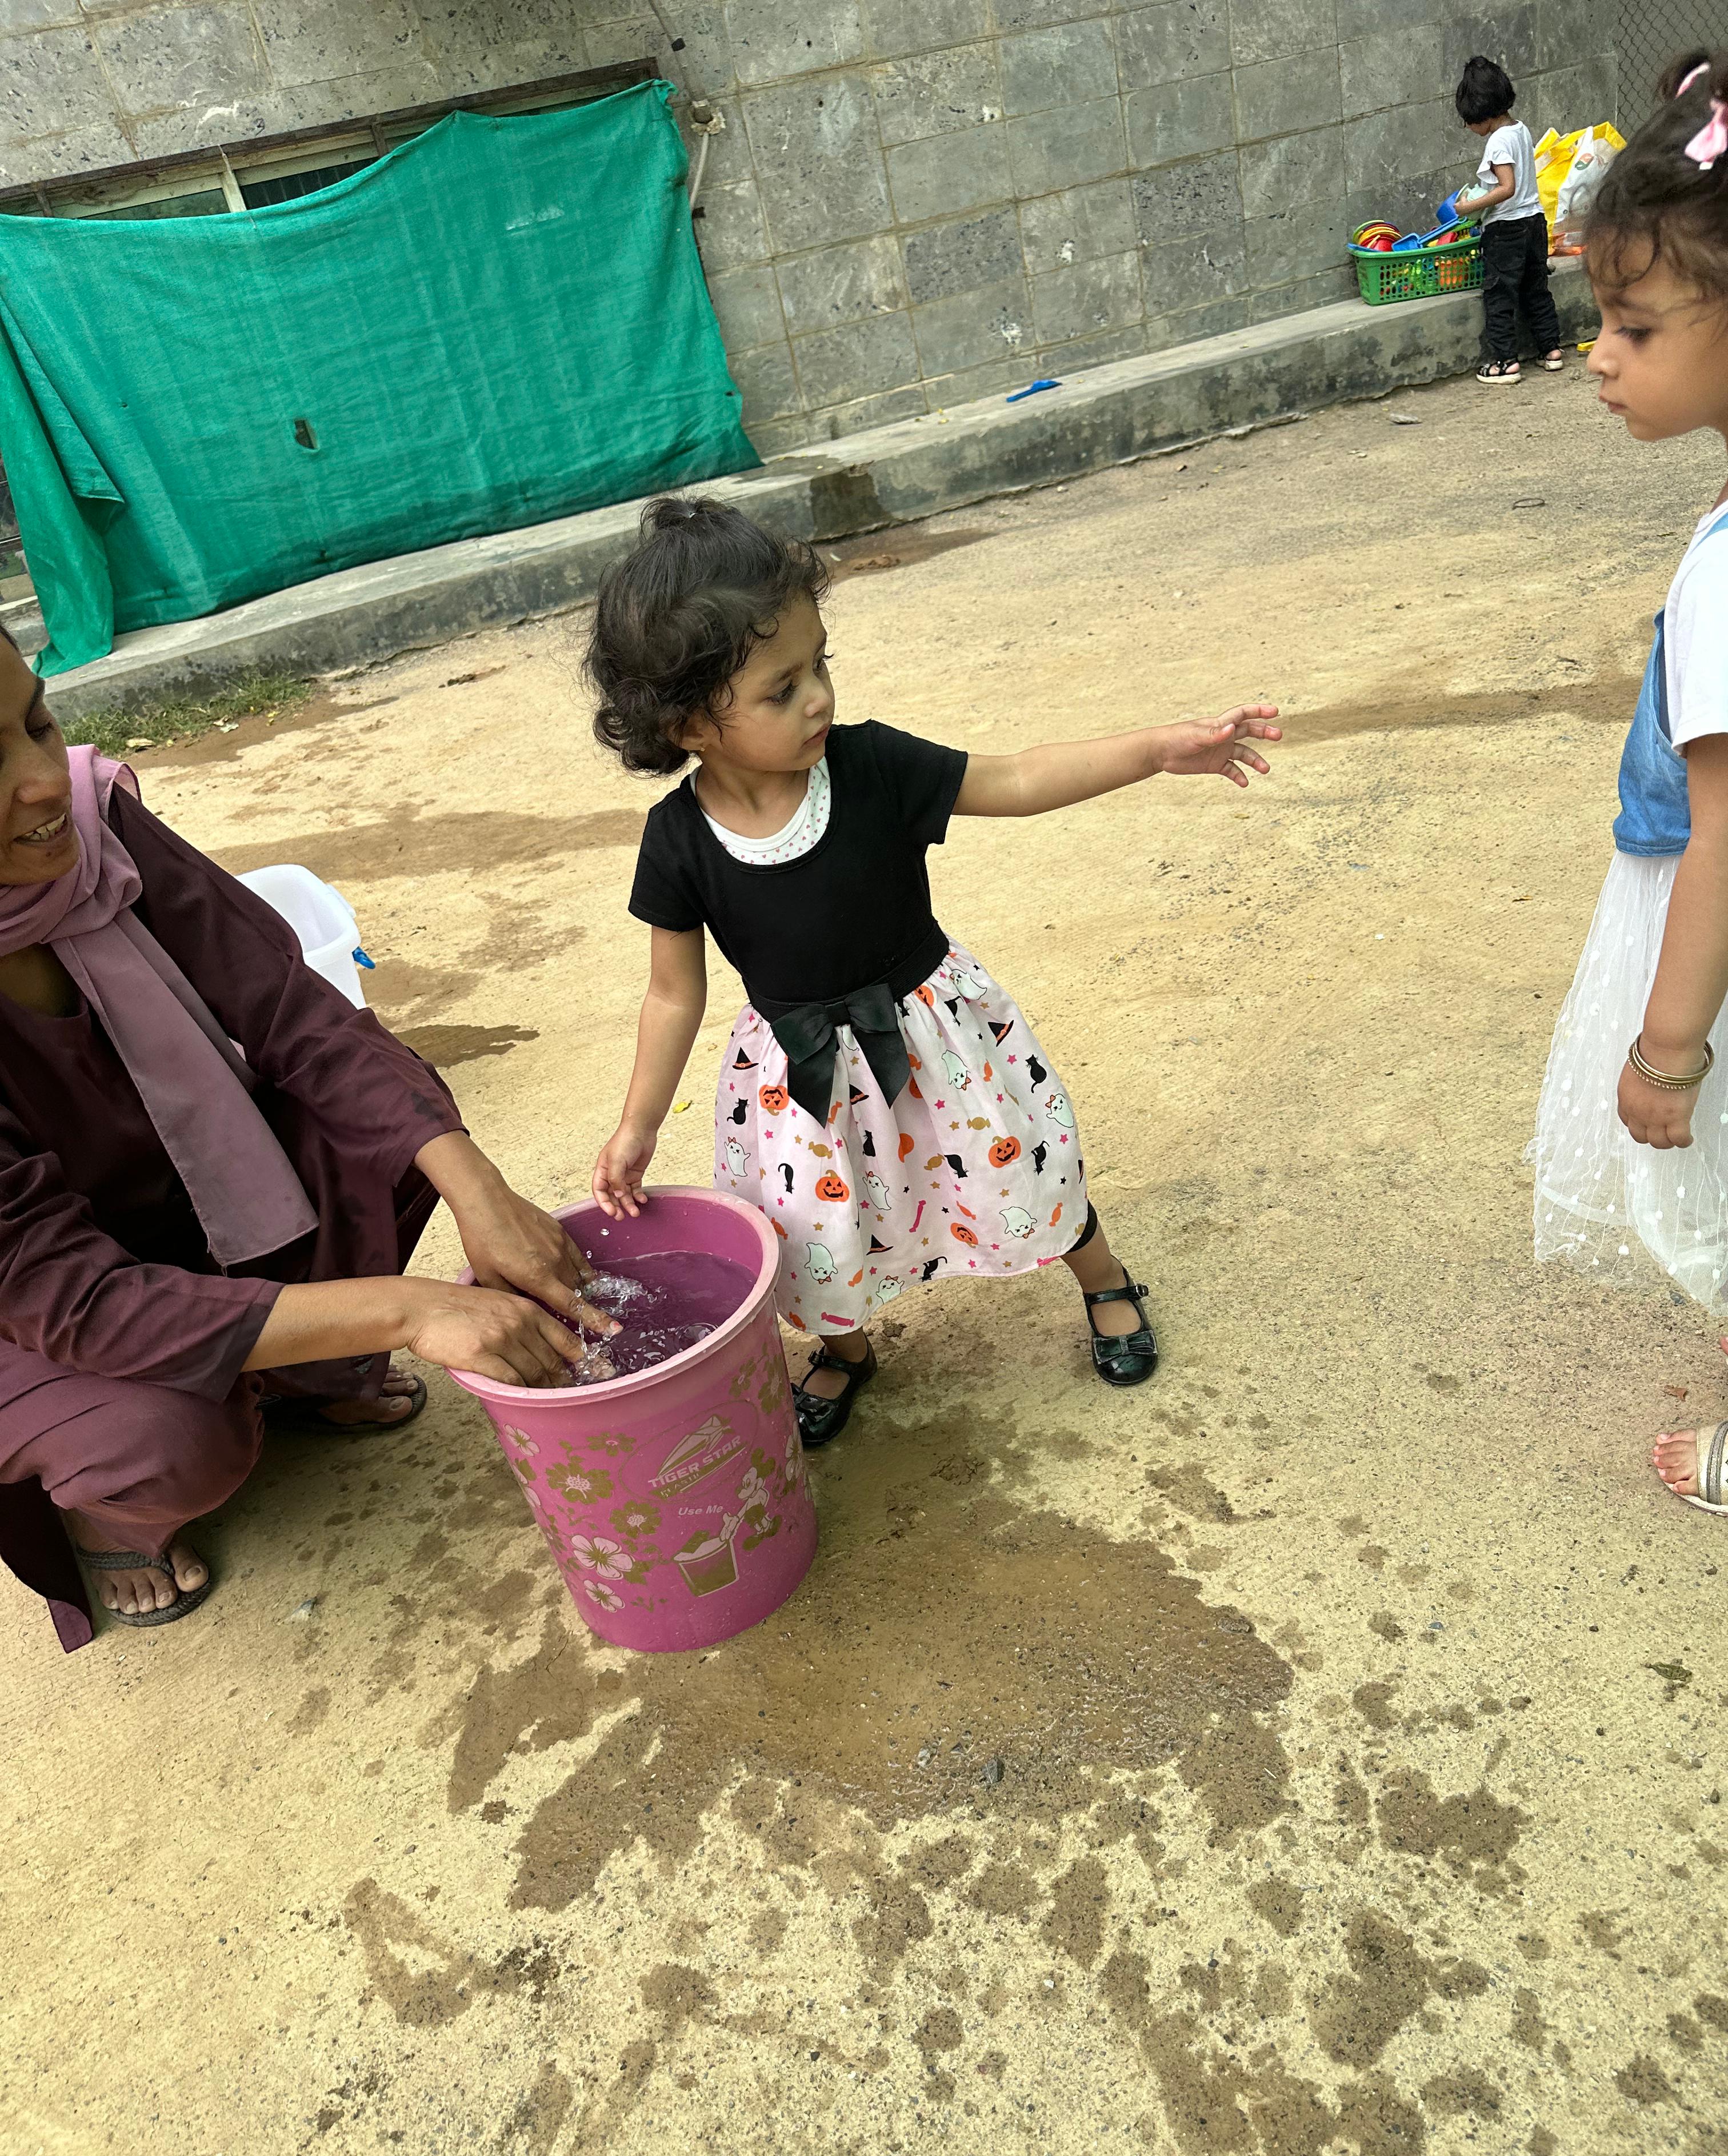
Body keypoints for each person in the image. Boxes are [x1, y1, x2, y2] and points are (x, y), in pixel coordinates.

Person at [586, 498, 1278, 1446]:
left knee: (1020, 1169)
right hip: (797, 1077)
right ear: (688, 723)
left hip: (936, 1039)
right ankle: (845, 1346)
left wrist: (1156, 751)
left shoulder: (870, 765)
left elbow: (1017, 778)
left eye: (820, 664)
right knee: (807, 1227)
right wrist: (637, 1124)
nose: (819, 698)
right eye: (782, 689)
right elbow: (674, 991)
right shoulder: (677, 840)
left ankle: (1102, 1276)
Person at [0, 630, 615, 1648]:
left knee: (401, 1121)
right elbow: (78, 1302)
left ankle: (294, 1373)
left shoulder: (98, 823)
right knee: (173, 1442)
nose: (40, 782)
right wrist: (409, 1308)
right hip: (32, 1309)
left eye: (37, 721)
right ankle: (109, 1517)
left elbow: (291, 1008)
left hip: (175, 1197)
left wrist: (479, 1189)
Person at [1526, 51, 1728, 1506]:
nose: (1599, 355)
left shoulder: (1726, 583)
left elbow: (1725, 833)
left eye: (1635, 326)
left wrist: (1667, 1049)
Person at [1454, 54, 1564, 384]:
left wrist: (1467, 208)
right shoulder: (1520, 129)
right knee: (1536, 289)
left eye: (1467, 120)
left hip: (1506, 229)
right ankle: (1551, 350)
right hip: (1534, 222)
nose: (1467, 127)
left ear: (1481, 113)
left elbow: (1506, 188)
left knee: (1499, 296)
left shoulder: (1497, 141)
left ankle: (1506, 363)